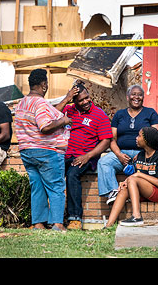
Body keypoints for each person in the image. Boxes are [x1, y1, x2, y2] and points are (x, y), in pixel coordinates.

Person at [14, 68, 72, 232]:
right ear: (44, 85)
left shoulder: (22, 103)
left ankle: (38, 224)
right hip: (47, 151)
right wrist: (64, 120)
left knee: (37, 187)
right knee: (56, 187)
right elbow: (45, 126)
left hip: (27, 151)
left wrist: (66, 100)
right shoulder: (40, 103)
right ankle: (57, 224)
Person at [54, 81, 112, 230]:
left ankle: (75, 219)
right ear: (74, 101)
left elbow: (106, 141)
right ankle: (53, 218)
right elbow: (51, 117)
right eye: (81, 100)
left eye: (87, 97)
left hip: (86, 156)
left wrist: (88, 156)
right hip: (65, 155)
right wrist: (66, 98)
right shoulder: (68, 110)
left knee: (73, 174)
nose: (85, 101)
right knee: (51, 174)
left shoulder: (99, 115)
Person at [97, 84, 158, 205]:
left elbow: (157, 136)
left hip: (143, 153)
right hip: (122, 152)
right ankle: (113, 192)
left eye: (140, 95)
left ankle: (142, 196)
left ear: (143, 97)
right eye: (133, 94)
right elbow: (112, 139)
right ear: (127, 97)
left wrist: (144, 153)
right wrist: (119, 154)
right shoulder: (119, 115)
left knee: (147, 169)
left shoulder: (150, 113)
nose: (136, 97)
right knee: (104, 162)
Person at [105, 127, 158, 227]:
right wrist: (125, 182)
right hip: (148, 189)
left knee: (132, 179)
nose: (136, 138)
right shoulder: (140, 155)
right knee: (124, 188)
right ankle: (109, 225)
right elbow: (136, 179)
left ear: (147, 140)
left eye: (139, 136)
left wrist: (138, 175)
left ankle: (136, 216)